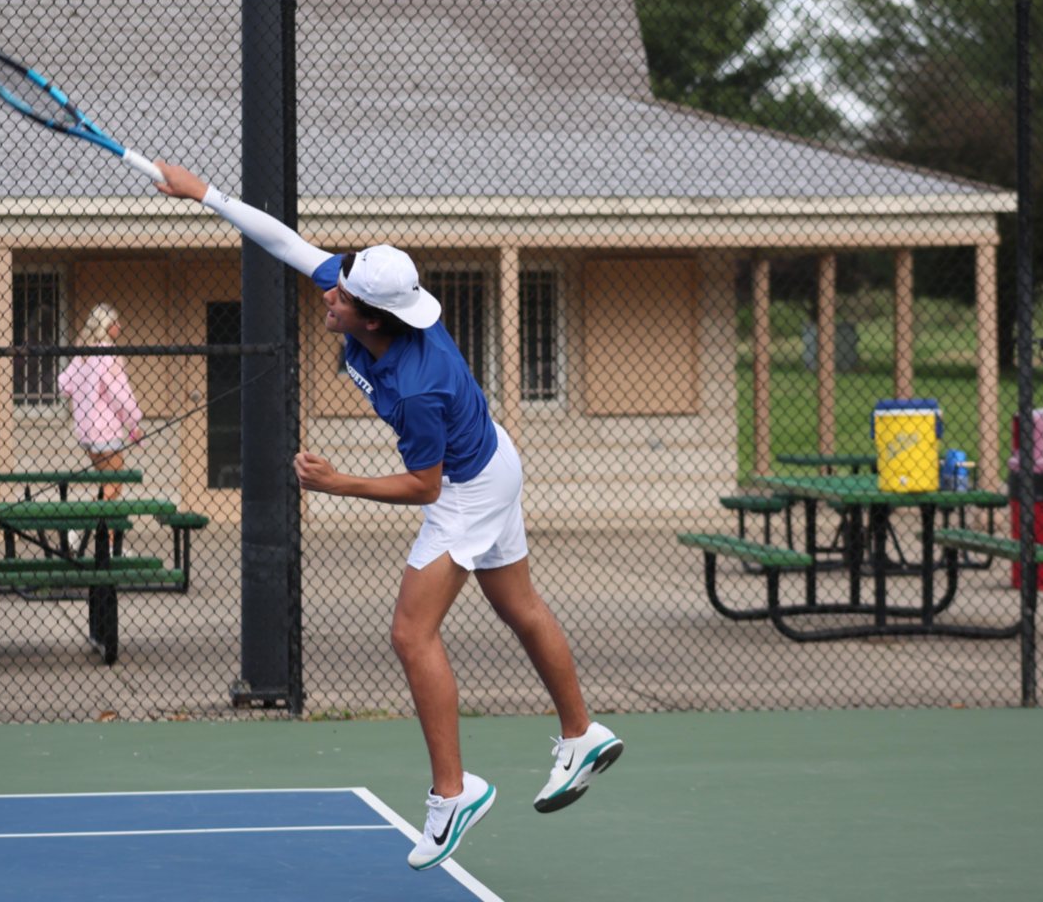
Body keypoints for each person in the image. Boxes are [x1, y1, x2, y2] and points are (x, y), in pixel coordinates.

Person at [153, 162, 622, 872]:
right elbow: (286, 244)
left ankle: (452, 794)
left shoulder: (416, 385)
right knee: (518, 605)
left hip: (465, 486)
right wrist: (206, 196)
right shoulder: (367, 303)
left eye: (341, 298)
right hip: (495, 460)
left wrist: (337, 482)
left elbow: (426, 488)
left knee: (411, 633)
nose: (329, 293)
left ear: (374, 318)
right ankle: (581, 733)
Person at [56, 303, 144, 555]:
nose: (120, 326)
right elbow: (120, 393)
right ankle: (78, 529)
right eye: (115, 322)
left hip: (87, 432)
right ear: (106, 326)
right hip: (107, 431)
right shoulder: (108, 354)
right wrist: (134, 421)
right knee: (114, 486)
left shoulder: (84, 353)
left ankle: (112, 546)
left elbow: (64, 384)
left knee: (110, 487)